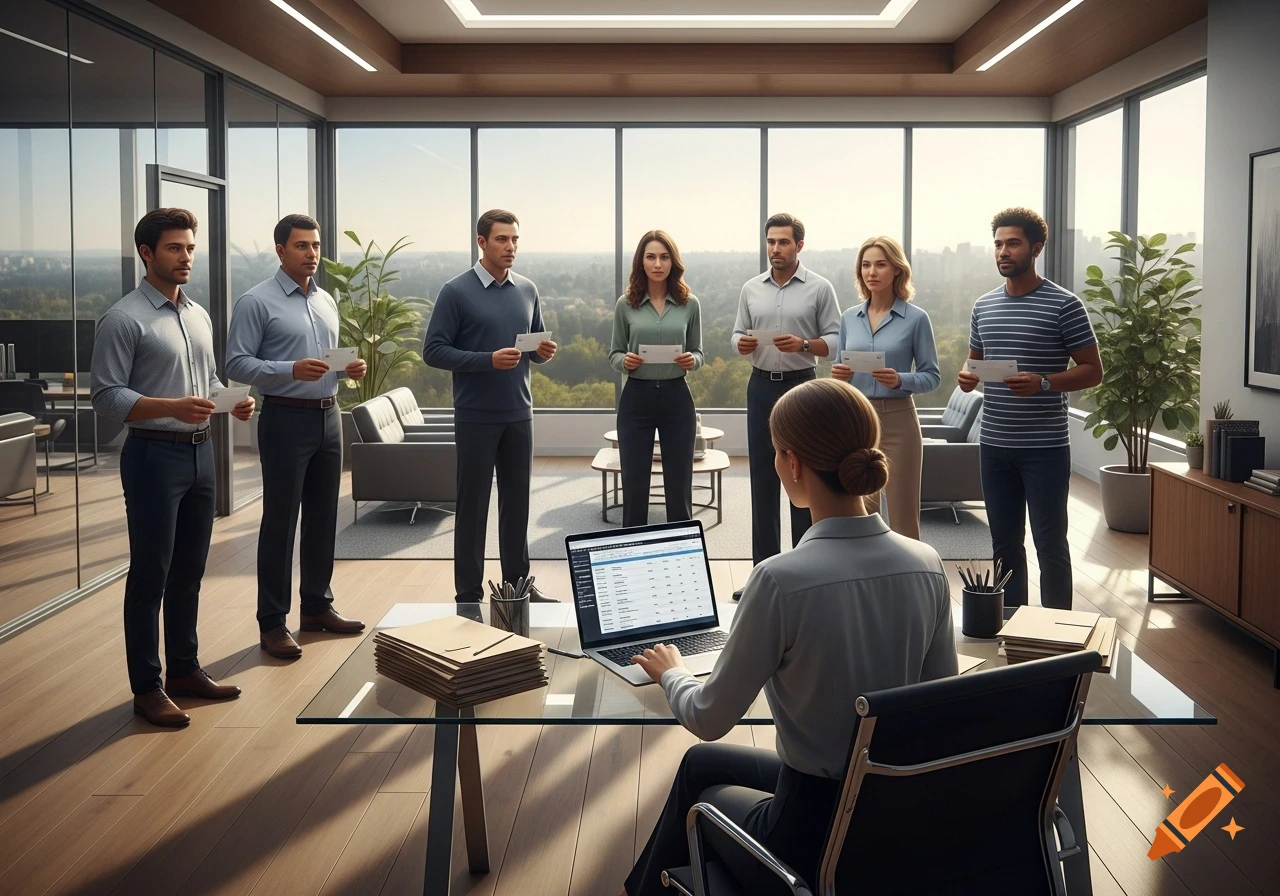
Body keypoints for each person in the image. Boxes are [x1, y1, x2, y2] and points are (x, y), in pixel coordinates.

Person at [623, 378, 957, 896]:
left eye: (776, 454)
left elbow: (709, 717)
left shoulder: (781, 580)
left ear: (793, 463)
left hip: (808, 833)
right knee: (702, 765)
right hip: (895, 814)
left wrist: (673, 675)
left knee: (704, 794)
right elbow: (940, 704)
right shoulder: (927, 564)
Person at [91, 208, 254, 727]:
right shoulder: (124, 319)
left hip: (200, 454)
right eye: (174, 249)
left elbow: (204, 383)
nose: (186, 258)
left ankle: (185, 669)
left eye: (189, 248)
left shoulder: (199, 315)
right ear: (147, 253)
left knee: (189, 572)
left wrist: (231, 402)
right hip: (152, 458)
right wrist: (171, 406)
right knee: (150, 574)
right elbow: (106, 396)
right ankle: (148, 687)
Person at [227, 213, 368, 660]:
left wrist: (348, 367)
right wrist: (288, 370)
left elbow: (326, 359)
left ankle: (316, 608)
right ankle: (272, 623)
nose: (312, 254)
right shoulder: (256, 302)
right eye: (302, 246)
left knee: (325, 517)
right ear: (281, 250)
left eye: (316, 246)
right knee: (281, 522)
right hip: (285, 419)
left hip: (329, 417)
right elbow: (235, 364)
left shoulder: (326, 300)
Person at [958, 207, 1102, 610]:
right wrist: (967, 377)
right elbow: (973, 363)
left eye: (1013, 244)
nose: (1003, 252)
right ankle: (1010, 625)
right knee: (1004, 543)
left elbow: (1093, 371)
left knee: (1050, 544)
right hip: (994, 446)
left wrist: (1043, 382)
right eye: (999, 244)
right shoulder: (983, 306)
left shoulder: (1064, 305)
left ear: (1036, 248)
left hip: (1046, 449)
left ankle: (1058, 637)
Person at [423, 209, 559, 603]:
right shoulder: (455, 291)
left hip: (519, 414)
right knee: (473, 508)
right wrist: (486, 360)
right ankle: (468, 593)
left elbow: (530, 346)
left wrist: (542, 353)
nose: (510, 247)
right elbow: (433, 350)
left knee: (516, 507)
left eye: (515, 239)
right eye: (502, 239)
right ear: (481, 242)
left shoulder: (528, 289)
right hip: (476, 417)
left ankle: (519, 588)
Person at [731, 213, 840, 597]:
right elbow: (736, 333)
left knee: (803, 481)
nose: (776, 249)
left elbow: (835, 342)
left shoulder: (820, 288)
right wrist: (740, 343)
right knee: (762, 482)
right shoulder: (750, 289)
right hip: (760, 387)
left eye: (783, 242)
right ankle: (762, 578)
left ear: (799, 246)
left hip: (801, 391)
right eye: (771, 242)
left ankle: (804, 576)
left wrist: (804, 345)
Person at [832, 235, 939, 539]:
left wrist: (900, 379)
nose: (872, 272)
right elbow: (841, 365)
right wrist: (838, 375)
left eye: (880, 264)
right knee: (862, 517)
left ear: (896, 270)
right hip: (857, 421)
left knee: (904, 518)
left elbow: (932, 376)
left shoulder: (917, 319)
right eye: (866, 265)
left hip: (899, 421)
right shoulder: (849, 318)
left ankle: (912, 584)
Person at [609, 231, 704, 527]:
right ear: (641, 262)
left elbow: (699, 351)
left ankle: (682, 560)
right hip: (636, 399)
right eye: (651, 257)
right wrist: (625, 361)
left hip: (677, 398)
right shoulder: (626, 305)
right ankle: (631, 558)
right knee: (635, 487)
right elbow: (613, 354)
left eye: (664, 257)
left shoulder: (690, 305)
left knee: (679, 489)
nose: (658, 264)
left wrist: (693, 360)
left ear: (673, 262)